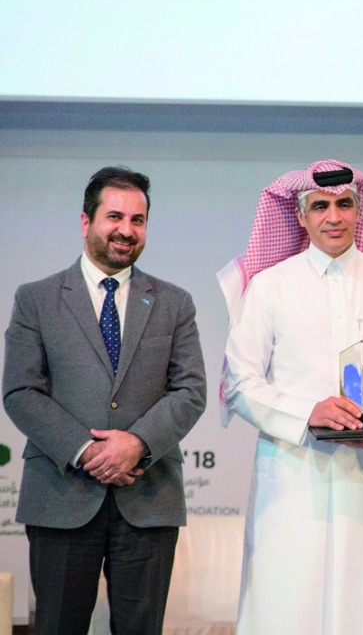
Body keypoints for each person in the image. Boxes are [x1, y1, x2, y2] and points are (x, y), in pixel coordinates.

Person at [219, 159, 363, 635]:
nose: (333, 217)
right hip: (293, 481)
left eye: (344, 204)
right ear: (300, 216)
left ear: (361, 211)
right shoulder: (270, 287)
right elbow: (239, 381)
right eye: (320, 206)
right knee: (286, 608)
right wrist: (308, 414)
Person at [2, 166, 206, 635]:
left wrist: (135, 443)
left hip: (149, 496)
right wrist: (88, 450)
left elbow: (191, 390)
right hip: (61, 493)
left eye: (138, 220)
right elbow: (21, 390)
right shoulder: (37, 298)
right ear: (85, 221)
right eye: (115, 216)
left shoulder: (175, 302)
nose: (126, 230)